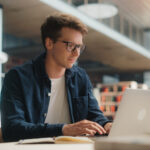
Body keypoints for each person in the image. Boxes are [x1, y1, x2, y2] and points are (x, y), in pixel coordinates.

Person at [0, 13, 112, 142]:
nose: (77, 53)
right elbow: (12, 129)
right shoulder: (17, 77)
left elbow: (94, 116)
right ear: (49, 43)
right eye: (70, 45)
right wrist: (63, 129)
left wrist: (106, 125)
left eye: (79, 47)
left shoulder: (80, 77)